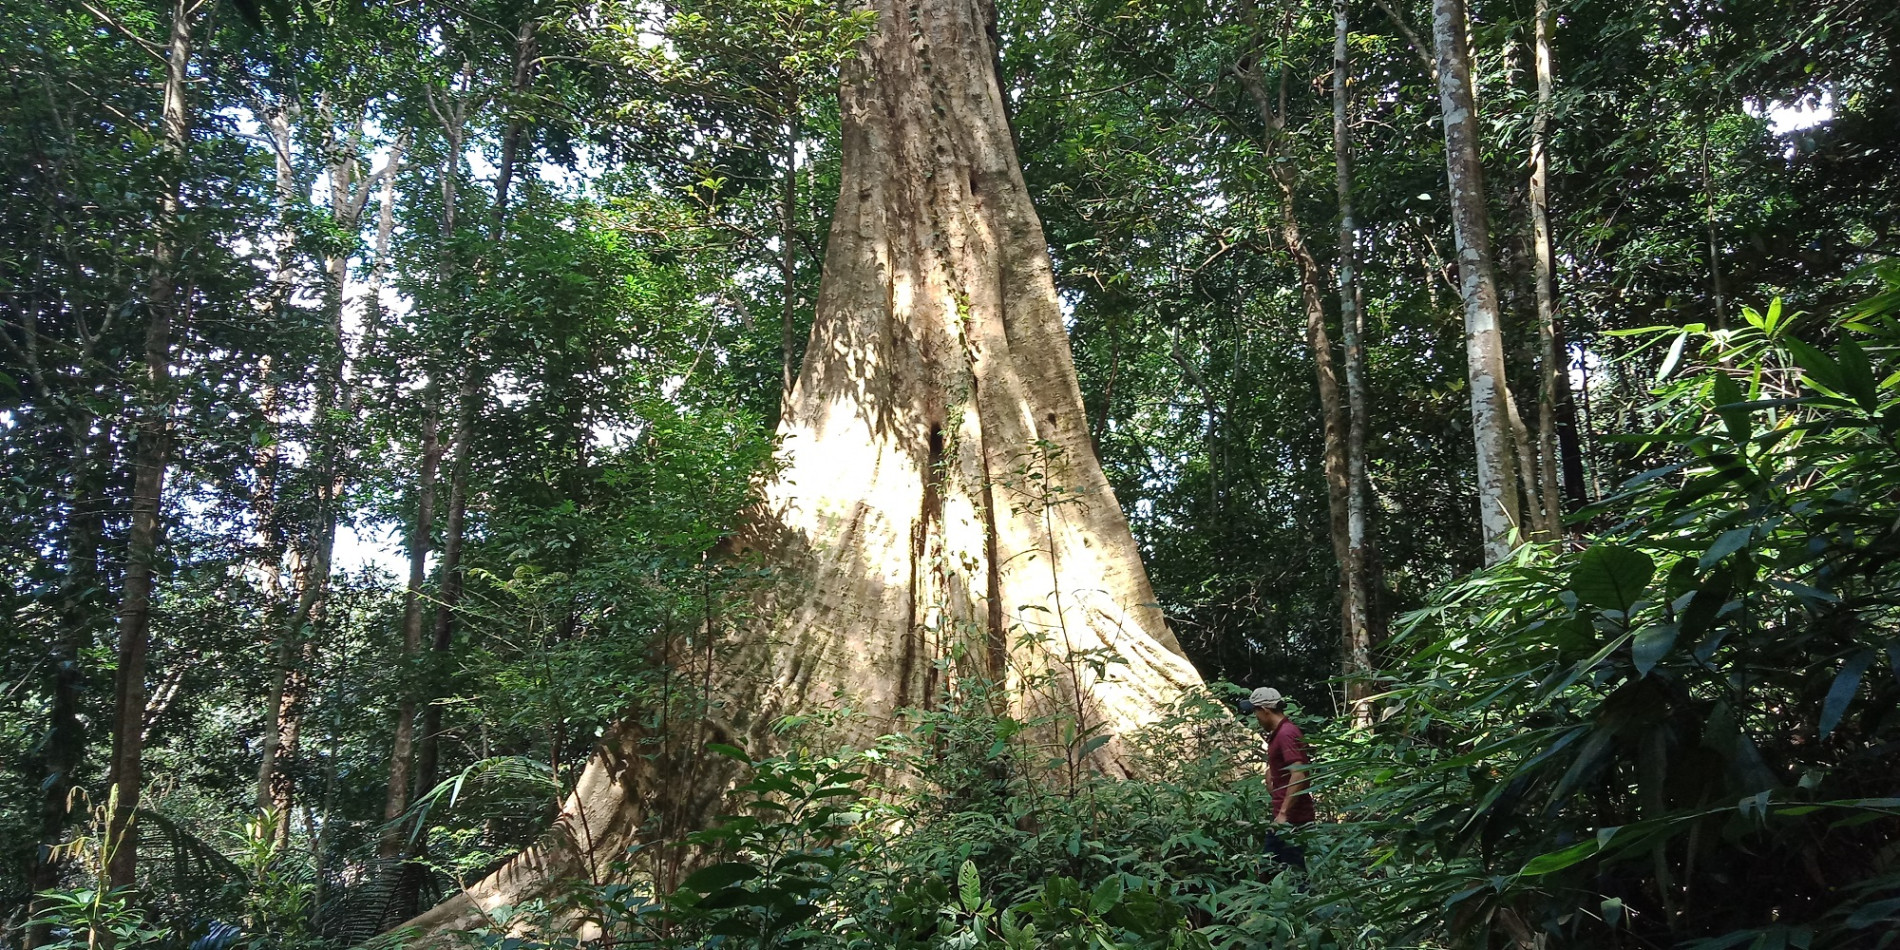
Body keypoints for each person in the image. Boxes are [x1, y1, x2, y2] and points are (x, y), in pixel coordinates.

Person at [1239, 686, 1315, 872]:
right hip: (1284, 818)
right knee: (1268, 869)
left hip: (1292, 821)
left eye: (1255, 711)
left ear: (1264, 710)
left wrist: (1283, 814)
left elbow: (1299, 772)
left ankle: (1301, 901)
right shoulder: (1279, 733)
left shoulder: (1286, 733)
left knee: (1293, 875)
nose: (1255, 717)